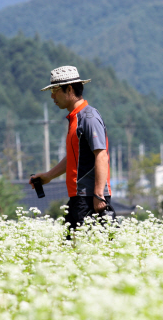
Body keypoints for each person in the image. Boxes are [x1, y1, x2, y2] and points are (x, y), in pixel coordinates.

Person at [30, 65, 113, 239]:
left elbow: (101, 155)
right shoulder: (75, 118)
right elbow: (74, 158)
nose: (52, 96)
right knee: (73, 250)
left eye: (55, 90)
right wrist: (48, 176)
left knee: (86, 251)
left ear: (69, 89)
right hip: (79, 197)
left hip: (90, 198)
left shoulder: (88, 117)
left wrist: (99, 195)